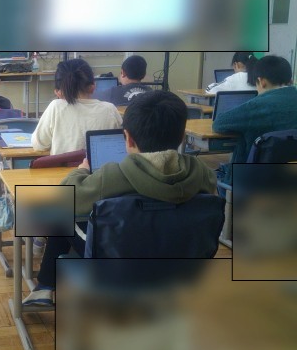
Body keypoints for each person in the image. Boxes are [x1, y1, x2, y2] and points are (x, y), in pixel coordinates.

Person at [23, 90, 217, 306]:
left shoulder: (112, 175)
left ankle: (44, 285)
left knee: (62, 215)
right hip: (184, 268)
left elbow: (64, 198)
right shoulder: (203, 174)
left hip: (119, 270)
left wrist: (81, 170)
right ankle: (45, 285)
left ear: (128, 138)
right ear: (181, 137)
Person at [213, 55, 297, 185]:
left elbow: (219, 124)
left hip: (250, 182)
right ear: (290, 80)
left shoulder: (256, 106)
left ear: (261, 81)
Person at [31, 58, 122, 155]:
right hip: (101, 165)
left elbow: (39, 145)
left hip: (64, 165)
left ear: (59, 92)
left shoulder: (56, 107)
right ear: (93, 87)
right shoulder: (110, 109)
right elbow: (120, 145)